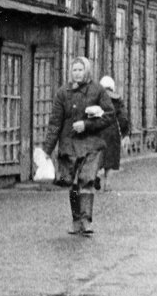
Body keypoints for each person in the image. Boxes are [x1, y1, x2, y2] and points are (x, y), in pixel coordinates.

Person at [43, 56, 115, 236]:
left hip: (91, 144)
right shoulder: (62, 93)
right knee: (73, 184)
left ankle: (86, 221)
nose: (77, 73)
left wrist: (87, 125)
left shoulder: (97, 91)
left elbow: (109, 115)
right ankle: (76, 220)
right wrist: (47, 150)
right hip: (69, 146)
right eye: (74, 70)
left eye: (80, 70)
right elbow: (55, 123)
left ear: (87, 71)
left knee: (87, 179)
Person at [97, 75, 130, 191]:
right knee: (110, 158)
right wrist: (125, 133)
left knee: (97, 156)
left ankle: (95, 176)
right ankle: (107, 184)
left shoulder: (97, 97)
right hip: (112, 131)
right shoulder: (117, 99)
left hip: (98, 129)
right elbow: (123, 118)